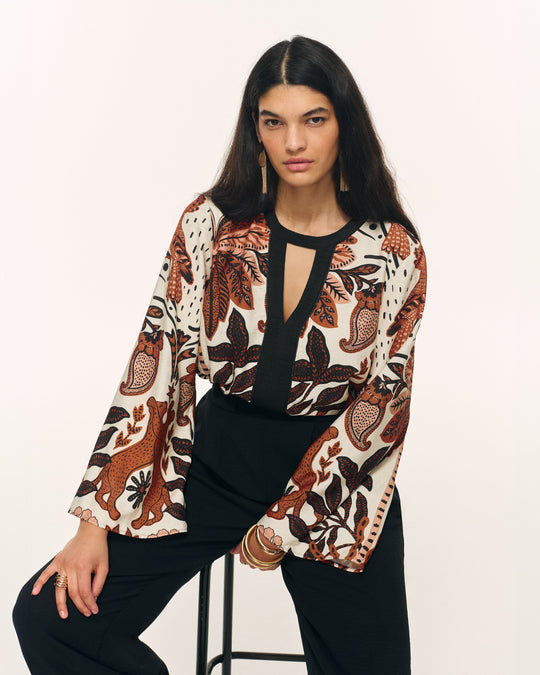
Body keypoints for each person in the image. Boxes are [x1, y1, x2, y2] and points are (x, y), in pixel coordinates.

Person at [13, 35, 427, 675]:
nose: (294, 142)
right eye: (274, 122)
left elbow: (384, 404)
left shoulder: (393, 250)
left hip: (339, 477)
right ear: (254, 129)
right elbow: (157, 361)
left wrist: (282, 527)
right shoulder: (211, 225)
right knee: (50, 615)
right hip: (216, 459)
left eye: (314, 119)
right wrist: (96, 520)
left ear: (344, 124)